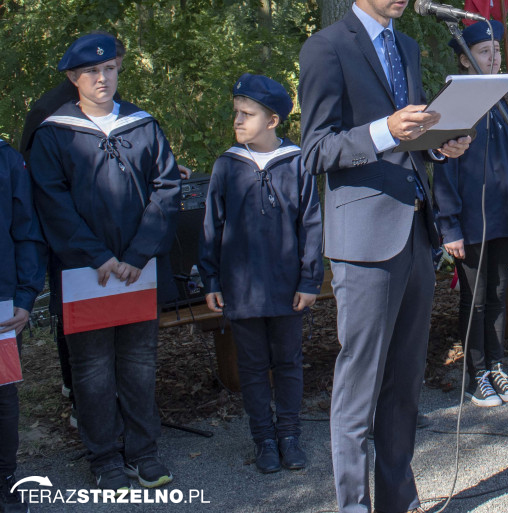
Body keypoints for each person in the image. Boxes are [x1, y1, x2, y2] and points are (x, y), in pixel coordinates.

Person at [298, 0, 470, 513]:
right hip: (364, 240)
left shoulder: (411, 49)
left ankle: (397, 499)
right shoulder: (327, 48)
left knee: (404, 383)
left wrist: (440, 142)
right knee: (358, 389)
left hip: (414, 231)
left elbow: (412, 138)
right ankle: (351, 505)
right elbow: (315, 150)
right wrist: (383, 132)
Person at [29, 32, 181, 493]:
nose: (102, 78)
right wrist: (98, 256)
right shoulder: (54, 132)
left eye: (109, 69)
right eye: (92, 71)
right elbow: (50, 201)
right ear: (74, 77)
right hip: (84, 273)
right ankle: (104, 456)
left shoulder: (142, 125)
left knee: (138, 362)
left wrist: (136, 255)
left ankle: (143, 452)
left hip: (138, 270)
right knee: (92, 369)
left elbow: (167, 188)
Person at [200, 73, 323, 474]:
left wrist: (309, 280)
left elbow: (311, 224)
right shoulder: (227, 167)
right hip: (242, 289)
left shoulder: (297, 163)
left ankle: (289, 435)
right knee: (252, 366)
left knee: (287, 362)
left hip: (288, 287)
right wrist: (212, 280)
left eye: (247, 114)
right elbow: (211, 229)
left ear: (272, 121)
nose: (237, 121)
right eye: (236, 112)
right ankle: (264, 439)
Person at [433, 20, 508, 408]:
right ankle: (477, 375)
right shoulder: (453, 104)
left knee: (496, 295)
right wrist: (450, 226)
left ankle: (497, 366)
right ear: (464, 58)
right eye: (483, 52)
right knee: (473, 299)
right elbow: (444, 168)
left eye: (496, 51)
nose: (493, 59)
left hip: (506, 218)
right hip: (470, 223)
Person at [1, 137, 46, 513]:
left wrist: (25, 295)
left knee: (1, 395)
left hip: (0, 302)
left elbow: (27, 230)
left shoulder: (7, 161)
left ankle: (4, 477)